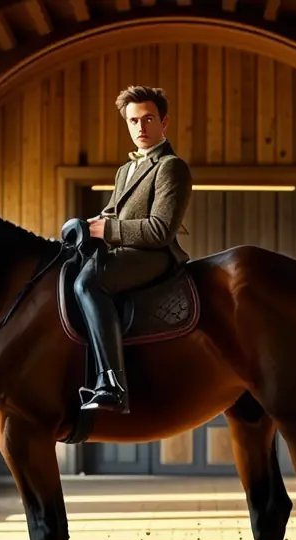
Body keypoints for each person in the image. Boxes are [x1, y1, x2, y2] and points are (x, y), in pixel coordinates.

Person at [74, 85, 193, 415]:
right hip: (126, 251)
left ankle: (112, 384)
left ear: (164, 122)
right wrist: (85, 225)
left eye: (148, 119)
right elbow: (111, 214)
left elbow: (159, 230)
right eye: (133, 121)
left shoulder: (171, 167)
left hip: (154, 255)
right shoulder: (126, 170)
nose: (140, 128)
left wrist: (105, 229)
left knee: (88, 284)